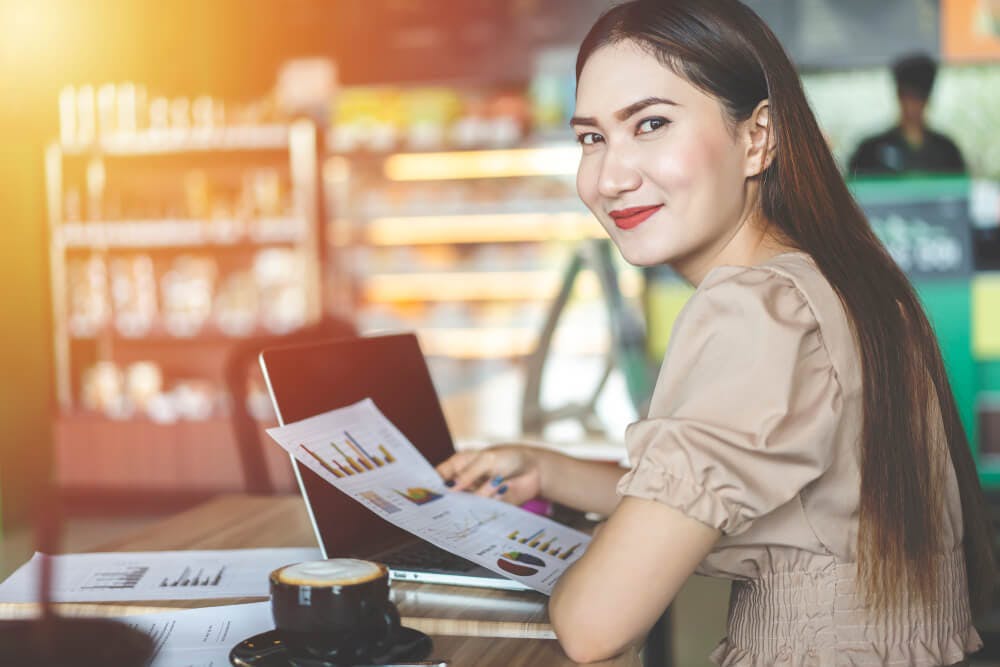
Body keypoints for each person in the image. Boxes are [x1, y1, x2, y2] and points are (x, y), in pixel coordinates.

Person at [436, 1, 994, 664]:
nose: (611, 176)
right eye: (592, 138)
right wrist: (549, 469)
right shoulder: (837, 281)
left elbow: (594, 626)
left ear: (757, 137)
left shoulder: (755, 311)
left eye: (650, 124)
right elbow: (738, 480)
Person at [848, 52, 966, 175]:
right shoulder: (869, 151)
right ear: (899, 96)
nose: (912, 105)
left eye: (918, 97)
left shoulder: (948, 151)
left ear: (927, 98)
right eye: (907, 96)